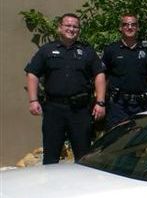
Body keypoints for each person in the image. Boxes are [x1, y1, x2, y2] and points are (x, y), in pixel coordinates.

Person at [25, 13, 106, 164]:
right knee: (51, 155)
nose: (71, 29)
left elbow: (99, 74)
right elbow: (32, 73)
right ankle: (51, 186)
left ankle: (82, 186)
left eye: (75, 26)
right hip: (54, 110)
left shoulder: (87, 51)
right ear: (60, 28)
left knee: (83, 156)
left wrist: (100, 102)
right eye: (68, 25)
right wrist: (33, 100)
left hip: (80, 110)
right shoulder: (47, 50)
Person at [102, 14, 147, 128]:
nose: (129, 27)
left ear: (138, 27)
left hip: (141, 103)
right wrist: (101, 101)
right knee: (116, 139)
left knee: (139, 140)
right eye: (125, 25)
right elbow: (103, 76)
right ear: (120, 28)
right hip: (118, 104)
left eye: (133, 25)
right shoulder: (111, 50)